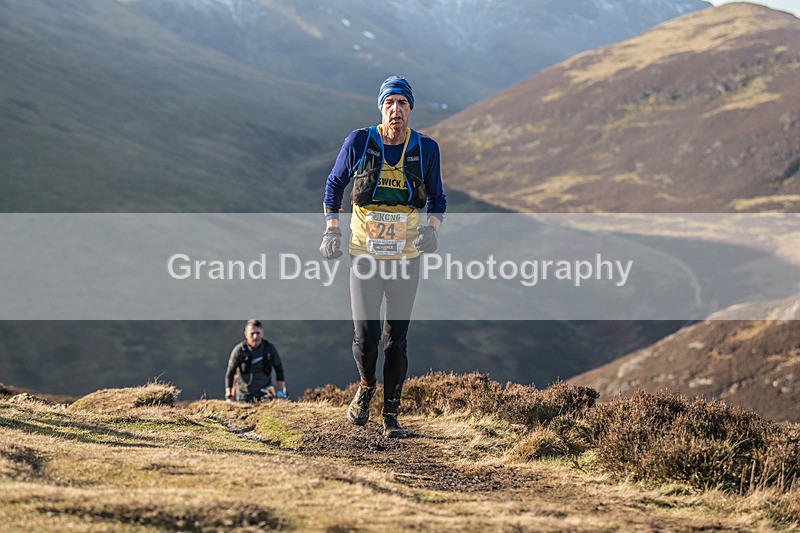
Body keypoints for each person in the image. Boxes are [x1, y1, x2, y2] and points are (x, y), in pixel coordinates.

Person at [319, 76, 446, 438]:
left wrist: (432, 232)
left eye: (403, 104)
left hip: (406, 258)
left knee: (397, 340)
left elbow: (438, 199)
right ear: (381, 107)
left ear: (410, 109)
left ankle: (391, 415)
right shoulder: (359, 141)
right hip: (364, 257)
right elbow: (334, 185)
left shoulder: (426, 149)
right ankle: (365, 387)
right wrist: (332, 229)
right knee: (366, 337)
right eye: (390, 103)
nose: (396, 110)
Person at [225, 319, 287, 402]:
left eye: (258, 333)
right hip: (244, 396)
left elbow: (279, 370)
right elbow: (230, 373)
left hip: (265, 394)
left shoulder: (269, 349)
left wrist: (281, 392)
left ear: (262, 334)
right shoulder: (239, 351)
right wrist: (229, 395)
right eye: (252, 334)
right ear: (246, 334)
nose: (255, 337)